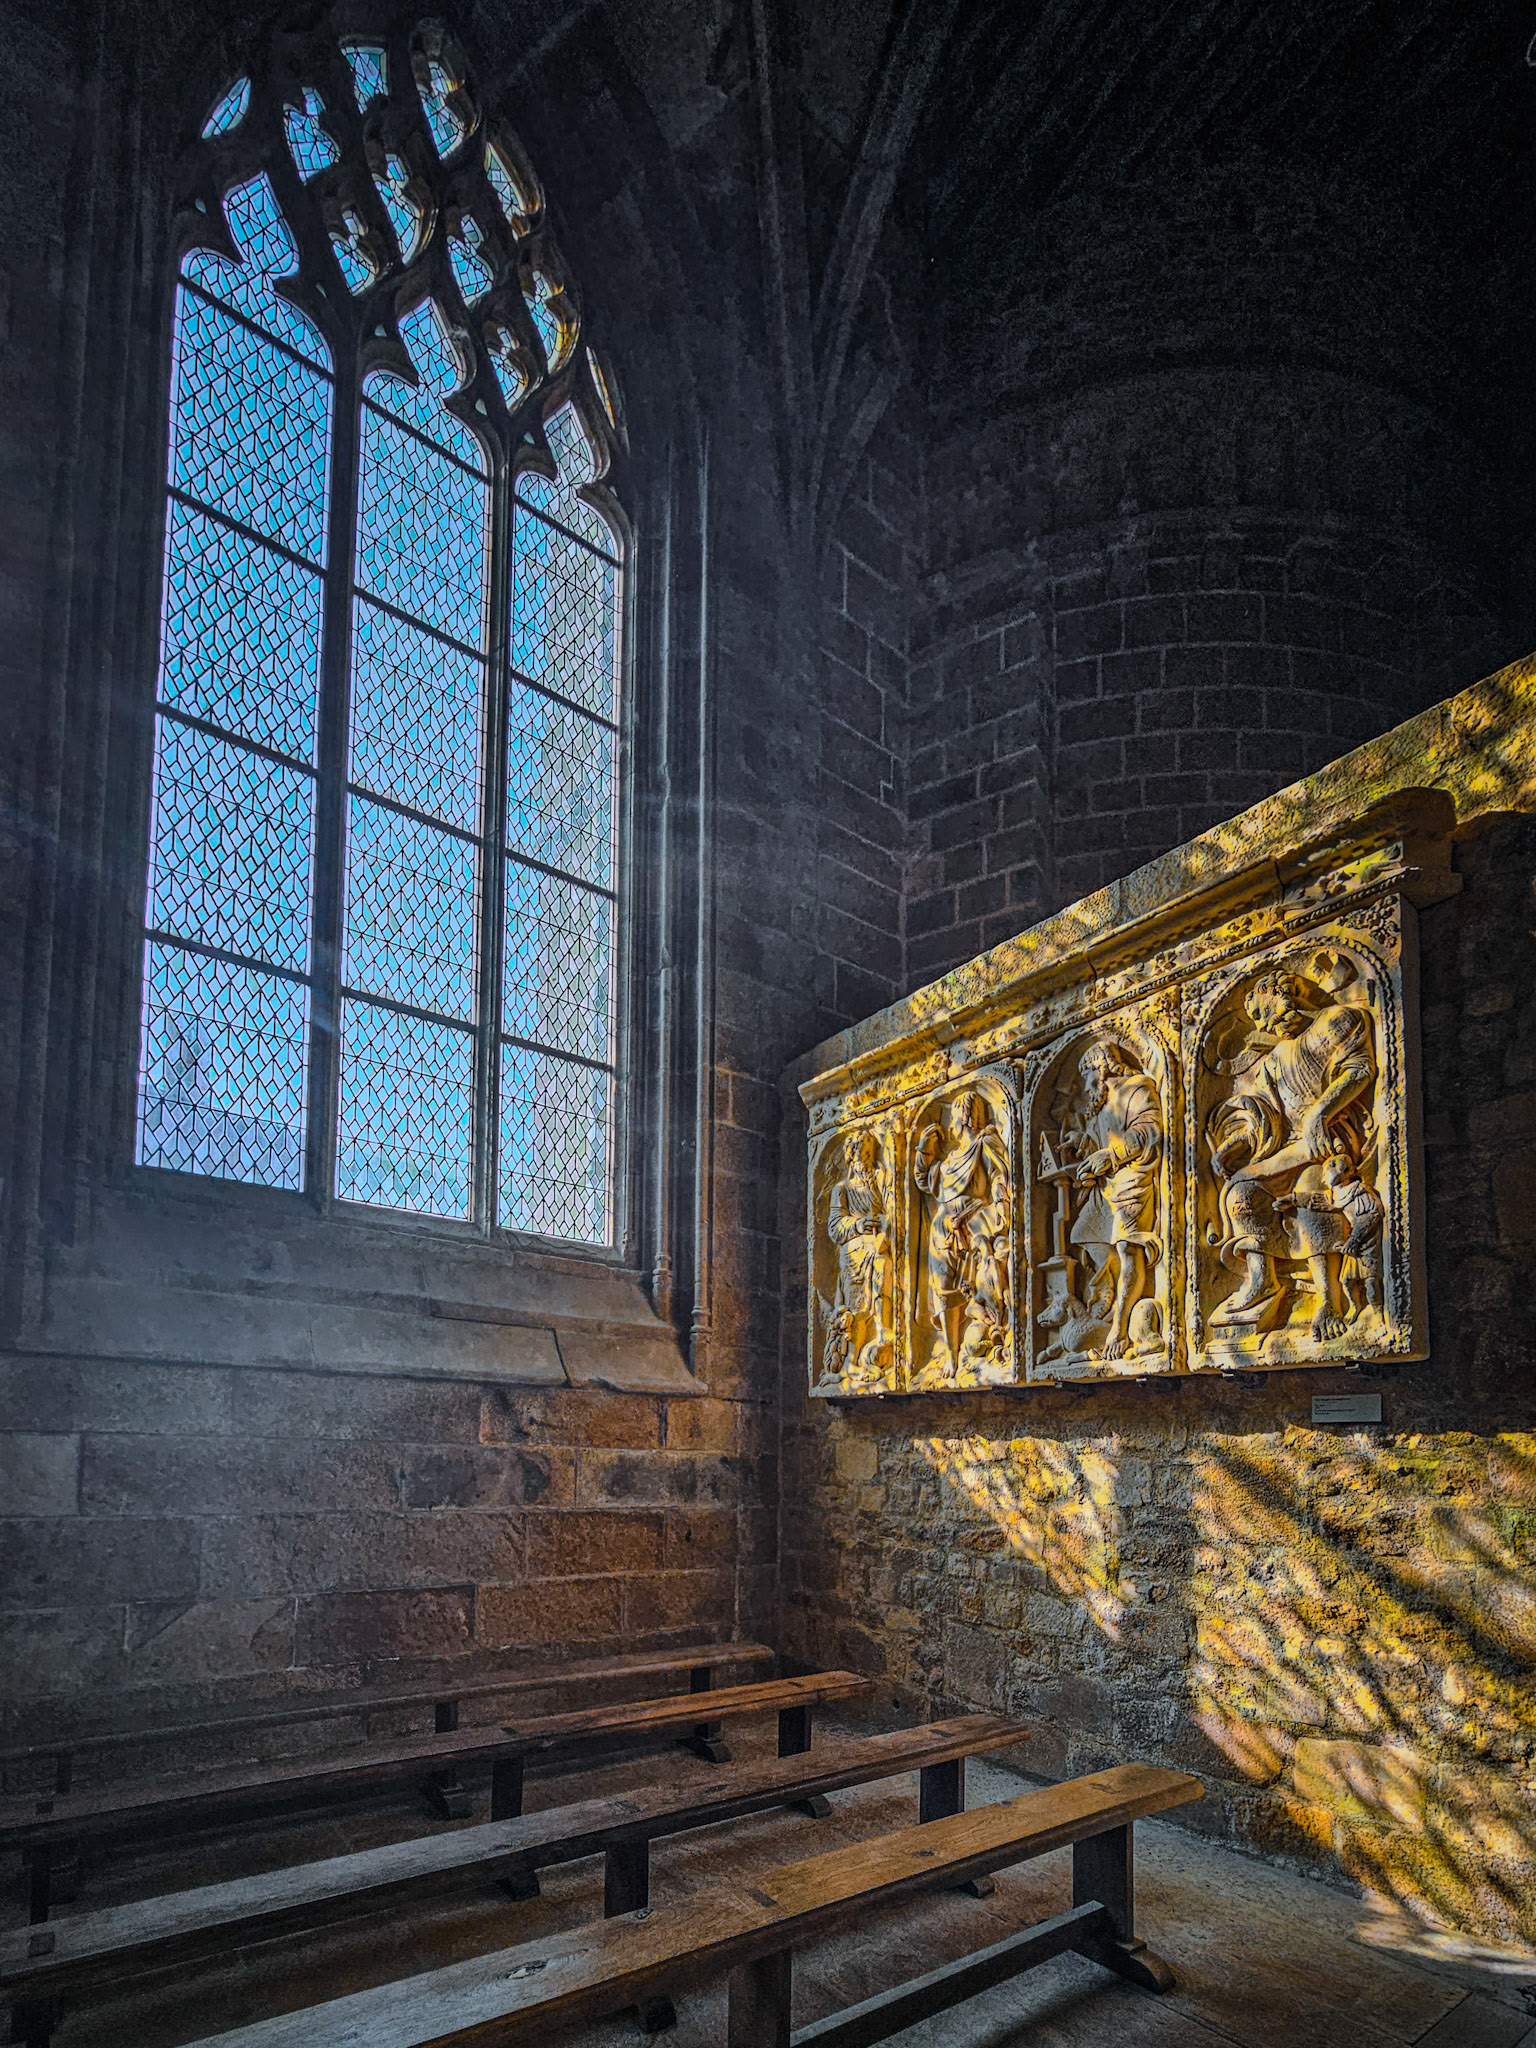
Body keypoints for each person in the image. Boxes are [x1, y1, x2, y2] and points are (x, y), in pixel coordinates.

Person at [1207, 968, 1376, 1340]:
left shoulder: (1337, 1021)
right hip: (1290, 1147)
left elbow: (1359, 1071)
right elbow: (1267, 1115)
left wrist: (1320, 1113)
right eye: (1258, 1020)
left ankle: (1329, 1300)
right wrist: (1238, 1143)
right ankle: (1262, 1280)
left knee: (1310, 1196)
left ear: (1283, 993)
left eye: (1263, 1012)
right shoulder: (1274, 1059)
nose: (1264, 1025)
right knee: (1242, 1193)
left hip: (1330, 1139)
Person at [1067, 1038, 1162, 1358]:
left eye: (1088, 1076)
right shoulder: (1102, 1105)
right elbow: (1100, 1143)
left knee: (1128, 1248)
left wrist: (1112, 1155)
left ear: (1103, 1067)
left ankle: (1120, 1330)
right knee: (1082, 1231)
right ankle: (1109, 1296)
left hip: (1132, 1177)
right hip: (1106, 1185)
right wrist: (1083, 1146)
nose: (1086, 1087)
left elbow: (1149, 1131)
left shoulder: (1137, 1089)